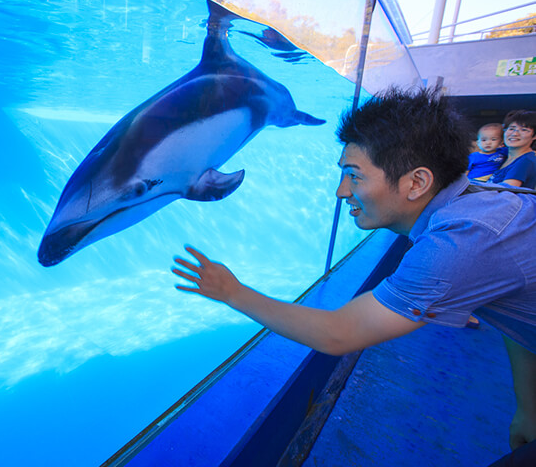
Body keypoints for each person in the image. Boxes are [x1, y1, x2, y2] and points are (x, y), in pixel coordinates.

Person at [171, 87, 536, 463]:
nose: (340, 191)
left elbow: (338, 333)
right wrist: (529, 406)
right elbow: (516, 316)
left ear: (417, 183)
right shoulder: (478, 202)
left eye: (354, 176)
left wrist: (232, 292)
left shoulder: (462, 241)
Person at [488, 110, 536, 189]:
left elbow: (505, 193)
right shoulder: (502, 155)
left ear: (534, 136)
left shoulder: (526, 161)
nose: (514, 134)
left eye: (524, 130)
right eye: (511, 129)